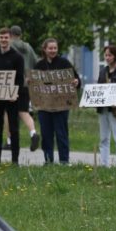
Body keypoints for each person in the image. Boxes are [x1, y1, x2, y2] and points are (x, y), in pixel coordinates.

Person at [33, 37, 80, 165]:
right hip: (44, 106)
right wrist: (30, 82)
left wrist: (76, 82)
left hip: (61, 106)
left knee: (61, 133)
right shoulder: (39, 65)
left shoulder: (64, 63)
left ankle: (64, 160)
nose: (53, 50)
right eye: (50, 48)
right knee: (46, 134)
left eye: (55, 48)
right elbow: (34, 84)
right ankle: (48, 160)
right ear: (45, 49)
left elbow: (76, 78)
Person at [0, 27, 25, 166]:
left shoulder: (17, 57)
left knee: (14, 129)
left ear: (10, 39)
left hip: (12, 98)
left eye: (6, 37)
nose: (3, 40)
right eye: (1, 37)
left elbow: (20, 79)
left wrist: (15, 93)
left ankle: (15, 161)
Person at [8, 25, 41, 152]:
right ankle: (33, 133)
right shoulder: (28, 47)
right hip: (26, 84)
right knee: (24, 111)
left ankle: (10, 140)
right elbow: (36, 62)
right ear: (21, 35)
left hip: (12, 83)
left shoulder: (8, 46)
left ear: (10, 35)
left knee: (7, 112)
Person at [96, 44, 116, 167]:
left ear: (115, 56)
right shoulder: (103, 71)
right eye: (106, 55)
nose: (107, 57)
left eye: (110, 55)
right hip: (103, 109)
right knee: (104, 138)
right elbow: (98, 89)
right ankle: (104, 164)